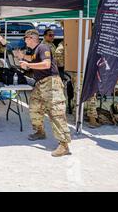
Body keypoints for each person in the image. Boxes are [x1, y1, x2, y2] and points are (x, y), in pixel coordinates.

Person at [15, 29, 71, 157]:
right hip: (40, 84)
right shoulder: (35, 51)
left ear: (31, 38)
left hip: (51, 83)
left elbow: (46, 64)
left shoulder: (43, 47)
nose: (24, 41)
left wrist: (28, 65)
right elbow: (33, 59)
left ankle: (64, 145)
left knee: (56, 113)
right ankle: (39, 131)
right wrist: (23, 57)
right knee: (34, 107)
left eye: (25, 38)